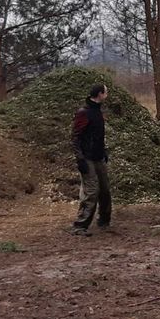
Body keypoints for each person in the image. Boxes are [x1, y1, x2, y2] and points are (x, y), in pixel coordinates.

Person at [69, 83, 111, 236]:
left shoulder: (98, 111)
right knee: (92, 190)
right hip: (87, 157)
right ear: (100, 94)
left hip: (98, 156)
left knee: (105, 189)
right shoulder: (84, 112)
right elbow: (75, 137)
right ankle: (80, 226)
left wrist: (104, 151)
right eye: (106, 92)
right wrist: (80, 159)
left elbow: (98, 135)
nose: (107, 94)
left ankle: (104, 220)